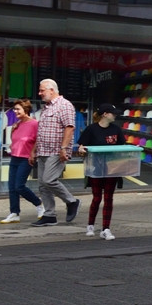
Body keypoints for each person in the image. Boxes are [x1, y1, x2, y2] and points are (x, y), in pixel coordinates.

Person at [32, 79, 80, 227]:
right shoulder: (46, 107)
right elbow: (41, 132)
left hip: (56, 150)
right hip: (43, 150)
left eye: (42, 90)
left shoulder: (64, 105)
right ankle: (49, 215)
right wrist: (33, 151)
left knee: (49, 180)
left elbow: (70, 127)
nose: (39, 93)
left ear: (52, 90)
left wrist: (63, 148)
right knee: (42, 185)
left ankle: (71, 201)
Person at [76, 103, 126, 240]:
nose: (115, 115)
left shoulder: (116, 129)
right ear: (105, 114)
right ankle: (90, 225)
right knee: (97, 198)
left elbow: (122, 148)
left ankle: (106, 228)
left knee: (109, 198)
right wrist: (81, 150)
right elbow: (81, 147)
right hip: (96, 169)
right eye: (113, 113)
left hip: (112, 168)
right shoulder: (91, 129)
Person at [0, 99, 45, 224]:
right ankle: (14, 213)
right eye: (14, 109)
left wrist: (32, 153)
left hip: (26, 158)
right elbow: (15, 141)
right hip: (15, 157)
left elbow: (38, 139)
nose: (15, 111)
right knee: (12, 187)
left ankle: (39, 204)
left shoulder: (35, 124)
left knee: (19, 186)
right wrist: (13, 130)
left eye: (18, 109)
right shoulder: (17, 124)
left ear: (26, 110)